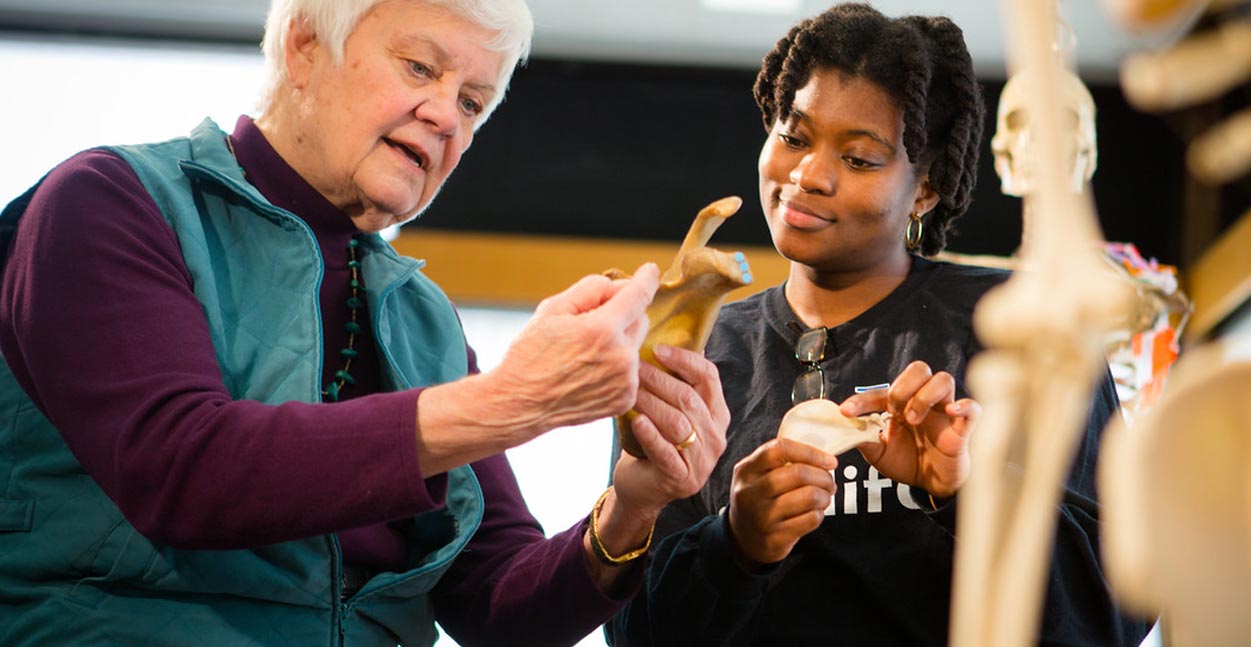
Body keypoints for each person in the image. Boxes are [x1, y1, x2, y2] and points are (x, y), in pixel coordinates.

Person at [0, 0, 729, 645]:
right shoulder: (109, 203)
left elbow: (495, 601)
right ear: (305, 46)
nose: (447, 114)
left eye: (473, 102)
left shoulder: (425, 320)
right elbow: (183, 470)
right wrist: (515, 399)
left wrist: (634, 503)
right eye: (420, 68)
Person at [606, 4, 1148, 646]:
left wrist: (967, 492)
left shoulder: (1019, 329)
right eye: (793, 136)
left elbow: (1117, 610)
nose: (808, 175)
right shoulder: (704, 354)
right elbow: (634, 633)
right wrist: (735, 544)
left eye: (860, 159)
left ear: (926, 189)